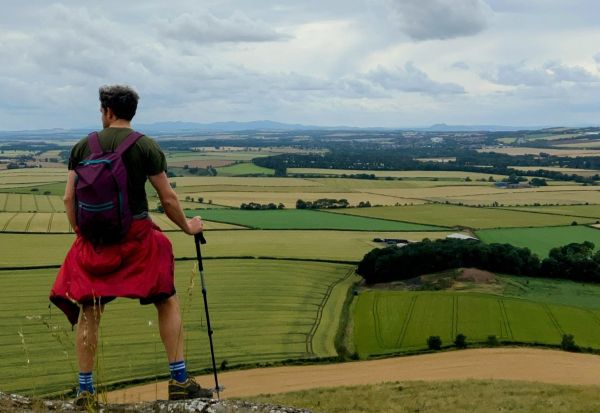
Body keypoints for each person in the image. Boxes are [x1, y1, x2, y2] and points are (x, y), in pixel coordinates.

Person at [49, 85, 213, 406]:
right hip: (138, 239)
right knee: (166, 300)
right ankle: (179, 381)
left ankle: (85, 390)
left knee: (90, 310)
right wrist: (188, 226)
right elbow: (167, 198)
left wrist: (82, 234)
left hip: (95, 243)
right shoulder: (146, 146)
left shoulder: (83, 147)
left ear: (108, 111)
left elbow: (69, 197)